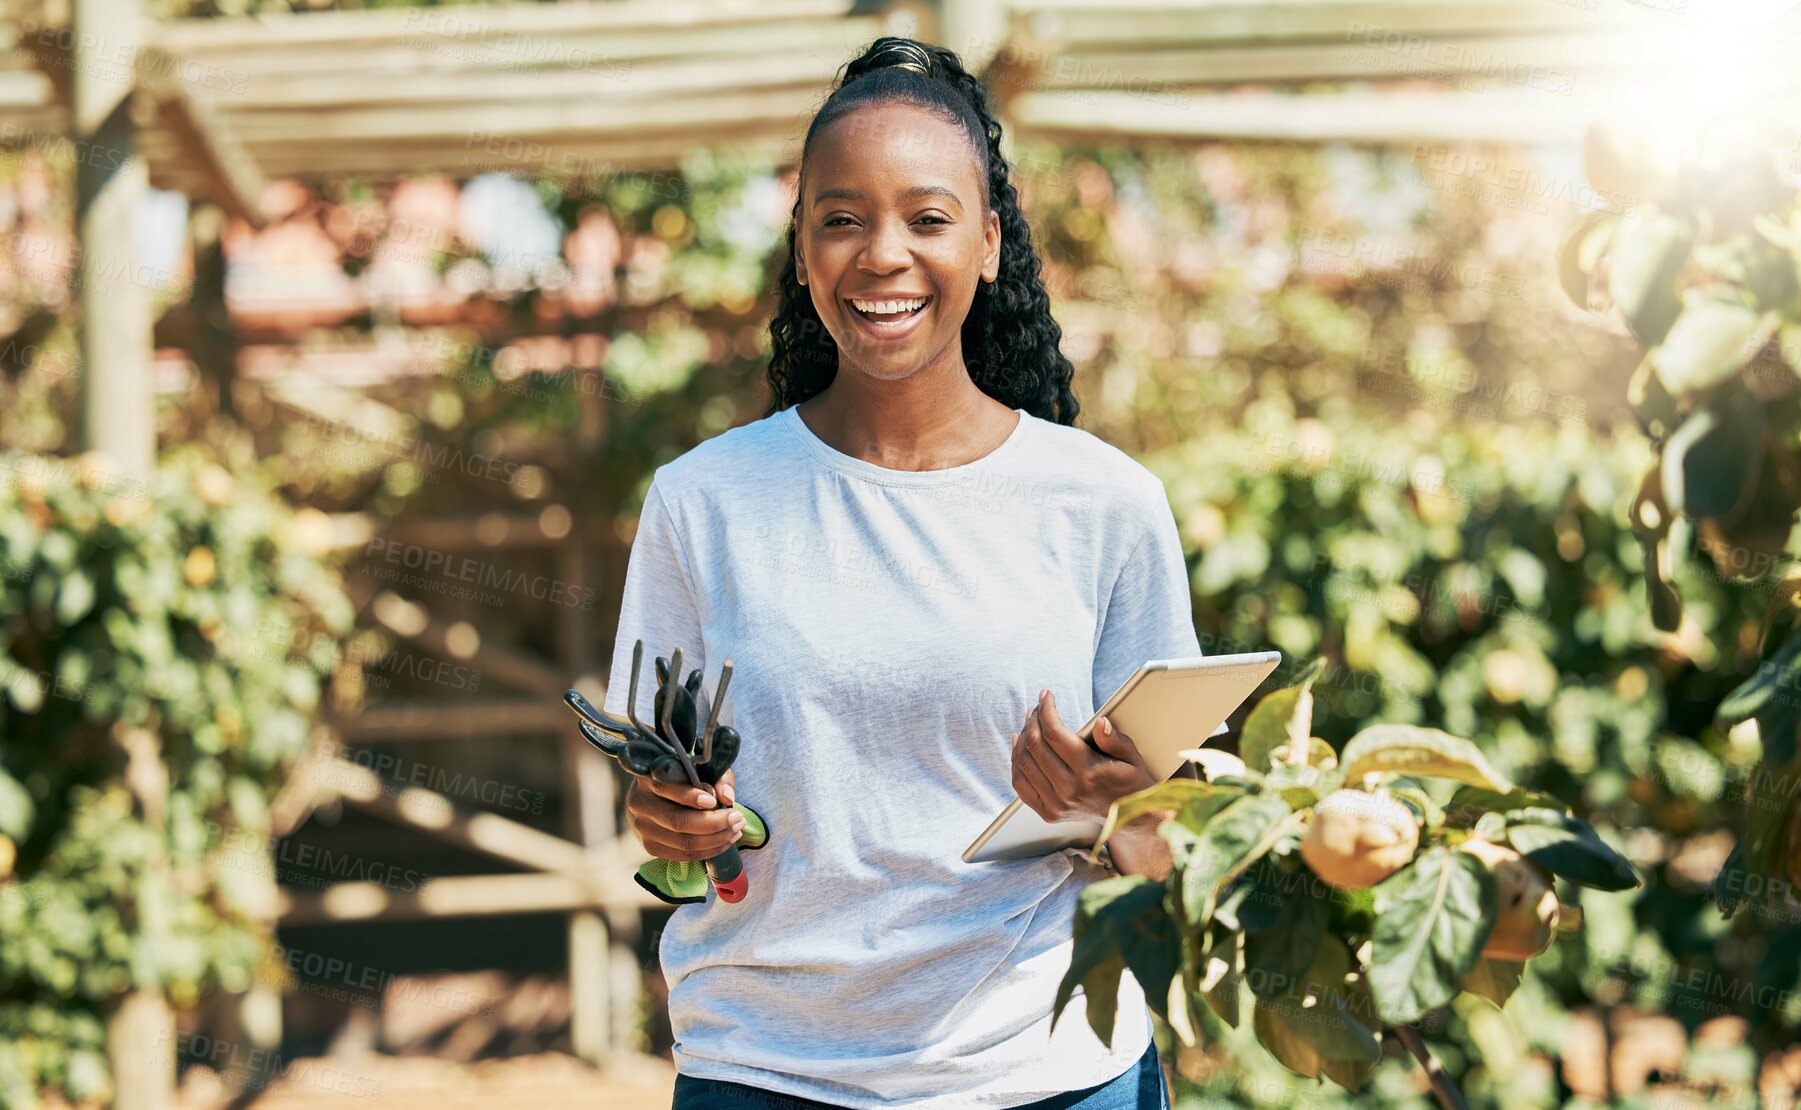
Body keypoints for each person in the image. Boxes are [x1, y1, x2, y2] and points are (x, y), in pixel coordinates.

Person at [602, 35, 1203, 1110]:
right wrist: (674, 821)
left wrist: (1118, 808)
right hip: (767, 1067)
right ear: (799, 249)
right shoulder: (704, 503)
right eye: (842, 219)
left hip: (1048, 1067)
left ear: (987, 244)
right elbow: (662, 805)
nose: (882, 254)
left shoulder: (1104, 503)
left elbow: (1172, 837)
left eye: (926, 218)